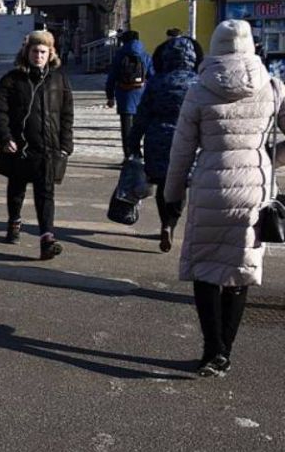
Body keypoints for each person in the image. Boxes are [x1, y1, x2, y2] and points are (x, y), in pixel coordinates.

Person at [164, 19, 285, 378]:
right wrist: (267, 156)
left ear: (215, 47)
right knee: (240, 269)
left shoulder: (199, 89)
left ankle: (211, 349)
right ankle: (225, 353)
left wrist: (172, 196)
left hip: (210, 185)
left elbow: (181, 150)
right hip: (254, 189)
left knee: (206, 269)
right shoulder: (274, 87)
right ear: (251, 46)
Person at [0, 29, 74, 260]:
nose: (39, 55)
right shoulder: (12, 79)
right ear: (27, 52)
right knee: (17, 190)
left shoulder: (59, 79)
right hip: (19, 148)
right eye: (35, 51)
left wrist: (66, 144)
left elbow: (66, 114)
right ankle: (14, 222)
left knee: (46, 195)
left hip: (48, 149)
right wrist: (5, 138)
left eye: (43, 52)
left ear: (50, 54)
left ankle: (47, 238)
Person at [126, 35, 199, 252]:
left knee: (162, 184)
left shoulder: (156, 82)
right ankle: (171, 223)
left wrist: (133, 143)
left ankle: (163, 222)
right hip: (186, 141)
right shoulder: (197, 83)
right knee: (180, 184)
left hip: (156, 139)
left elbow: (142, 115)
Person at [105, 30, 155, 159]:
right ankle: (140, 153)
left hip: (124, 95)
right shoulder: (145, 55)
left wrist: (110, 96)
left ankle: (129, 155)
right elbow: (152, 76)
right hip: (142, 96)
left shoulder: (119, 55)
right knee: (142, 127)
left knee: (127, 129)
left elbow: (111, 77)